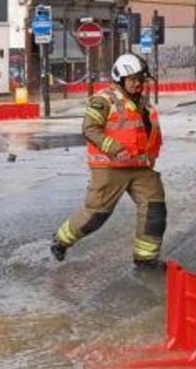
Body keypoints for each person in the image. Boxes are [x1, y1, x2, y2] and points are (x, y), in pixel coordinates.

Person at [51, 53, 166, 268]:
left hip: (140, 167)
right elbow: (89, 129)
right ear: (120, 79)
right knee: (96, 215)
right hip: (110, 167)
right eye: (132, 79)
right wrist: (114, 149)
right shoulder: (103, 100)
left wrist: (151, 154)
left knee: (155, 211)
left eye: (140, 79)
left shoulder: (142, 102)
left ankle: (146, 259)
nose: (137, 84)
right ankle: (60, 241)